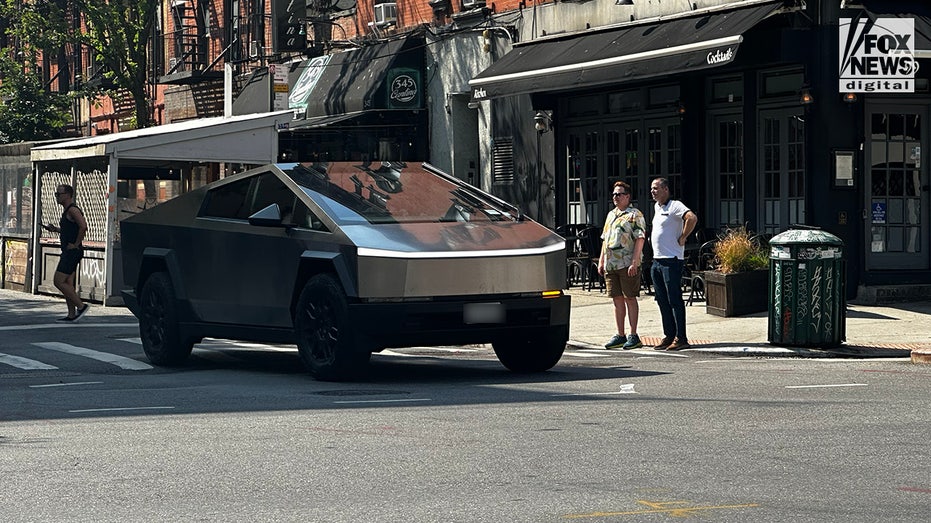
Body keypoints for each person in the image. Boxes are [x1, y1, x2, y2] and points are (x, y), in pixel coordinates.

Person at [649, 177, 697, 351]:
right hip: (657, 260)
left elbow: (691, 218)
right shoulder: (657, 207)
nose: (653, 191)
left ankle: (681, 337)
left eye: (656, 188)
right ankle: (669, 335)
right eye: (652, 189)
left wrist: (683, 236)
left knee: (674, 299)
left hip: (672, 260)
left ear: (666, 189)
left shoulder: (675, 205)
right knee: (662, 300)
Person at [598, 181, 646, 350]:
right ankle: (620, 334)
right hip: (612, 264)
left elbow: (640, 238)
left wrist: (635, 261)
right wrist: (601, 260)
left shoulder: (635, 215)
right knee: (616, 299)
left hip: (627, 263)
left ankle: (633, 335)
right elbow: (605, 239)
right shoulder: (611, 214)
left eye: (619, 194)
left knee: (629, 298)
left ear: (627, 196)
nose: (615, 197)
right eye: (613, 194)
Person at [43, 184, 90, 322]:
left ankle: (81, 306)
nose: (57, 196)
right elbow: (71, 229)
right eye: (56, 194)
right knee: (68, 283)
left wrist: (75, 244)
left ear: (68, 195)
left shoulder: (73, 210)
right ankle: (71, 314)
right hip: (69, 250)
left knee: (58, 281)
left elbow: (83, 226)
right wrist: (55, 229)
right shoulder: (67, 211)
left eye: (59, 194)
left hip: (72, 252)